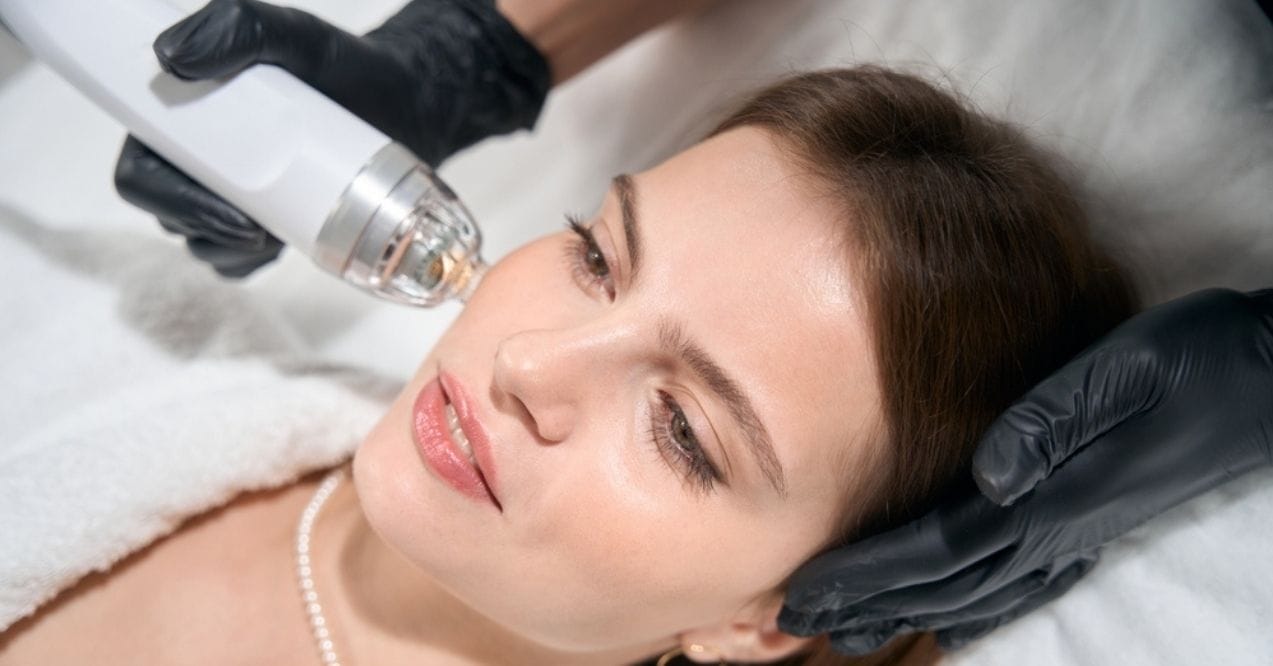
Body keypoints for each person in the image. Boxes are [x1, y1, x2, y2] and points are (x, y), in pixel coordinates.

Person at [107, 0, 1273, 660]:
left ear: (768, 618)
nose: (523, 361)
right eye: (595, 254)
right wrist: (477, 48)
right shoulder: (142, 351)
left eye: (681, 430)